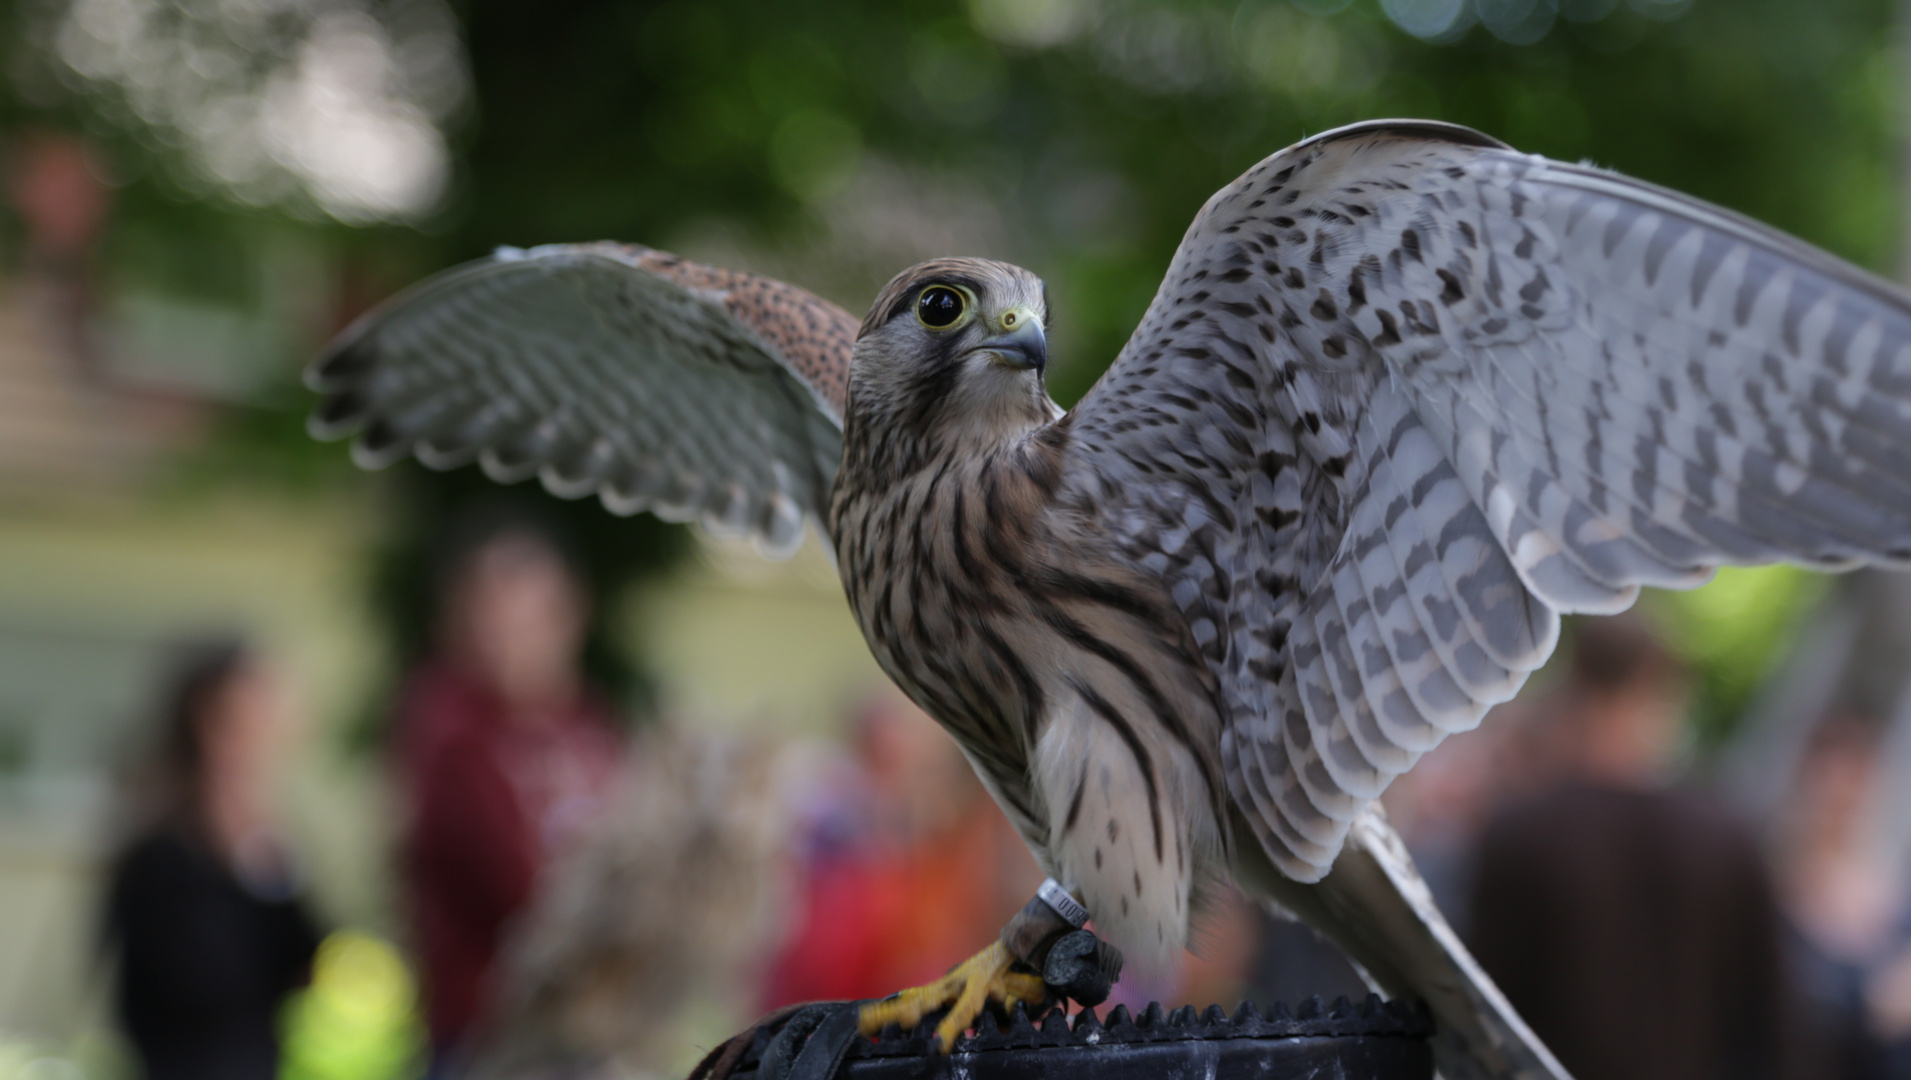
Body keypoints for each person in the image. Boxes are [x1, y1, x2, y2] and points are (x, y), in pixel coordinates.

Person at [1467, 615, 1805, 1080]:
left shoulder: (1523, 834)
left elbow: (1483, 1018)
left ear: (1575, 686)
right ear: (1666, 691)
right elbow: (1770, 1025)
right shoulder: (1726, 837)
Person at [395, 513, 625, 1067]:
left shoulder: (591, 726)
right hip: (489, 1033)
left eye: (527, 618)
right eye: (488, 618)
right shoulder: (450, 723)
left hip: (589, 1031)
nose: (505, 640)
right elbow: (511, 881)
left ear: (570, 615)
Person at [101, 640, 322, 1080]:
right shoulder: (161, 858)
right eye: (255, 717)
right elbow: (201, 986)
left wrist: (261, 862)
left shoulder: (265, 850)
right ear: (211, 725)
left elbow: (305, 961)